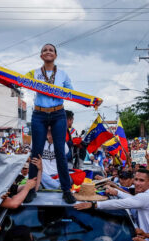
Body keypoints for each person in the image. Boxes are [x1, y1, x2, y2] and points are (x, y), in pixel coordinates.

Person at [25, 43, 100, 204]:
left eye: (51, 50)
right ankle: (30, 189)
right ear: (41, 56)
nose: (48, 52)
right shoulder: (34, 73)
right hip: (39, 114)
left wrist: (89, 102)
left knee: (60, 151)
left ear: (55, 55)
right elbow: (19, 81)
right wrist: (2, 77)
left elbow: (72, 94)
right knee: (36, 152)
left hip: (58, 113)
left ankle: (66, 190)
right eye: (44, 50)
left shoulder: (63, 75)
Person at [74, 169, 149, 234]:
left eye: (141, 180)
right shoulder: (146, 194)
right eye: (136, 179)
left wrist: (94, 205)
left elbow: (119, 203)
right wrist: (116, 192)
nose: (137, 183)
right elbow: (131, 199)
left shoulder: (146, 196)